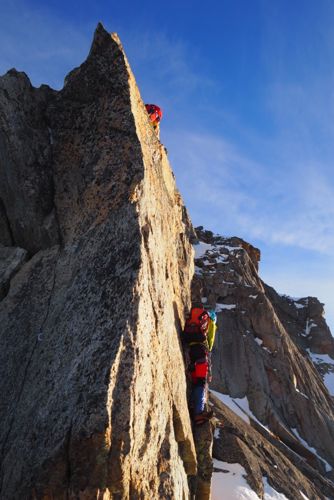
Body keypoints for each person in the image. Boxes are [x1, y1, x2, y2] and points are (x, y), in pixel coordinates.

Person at [183, 306, 217, 425]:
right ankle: (198, 413)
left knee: (196, 380)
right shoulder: (211, 320)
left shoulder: (196, 319)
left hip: (191, 349)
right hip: (201, 351)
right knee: (201, 382)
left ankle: (194, 407)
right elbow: (210, 341)